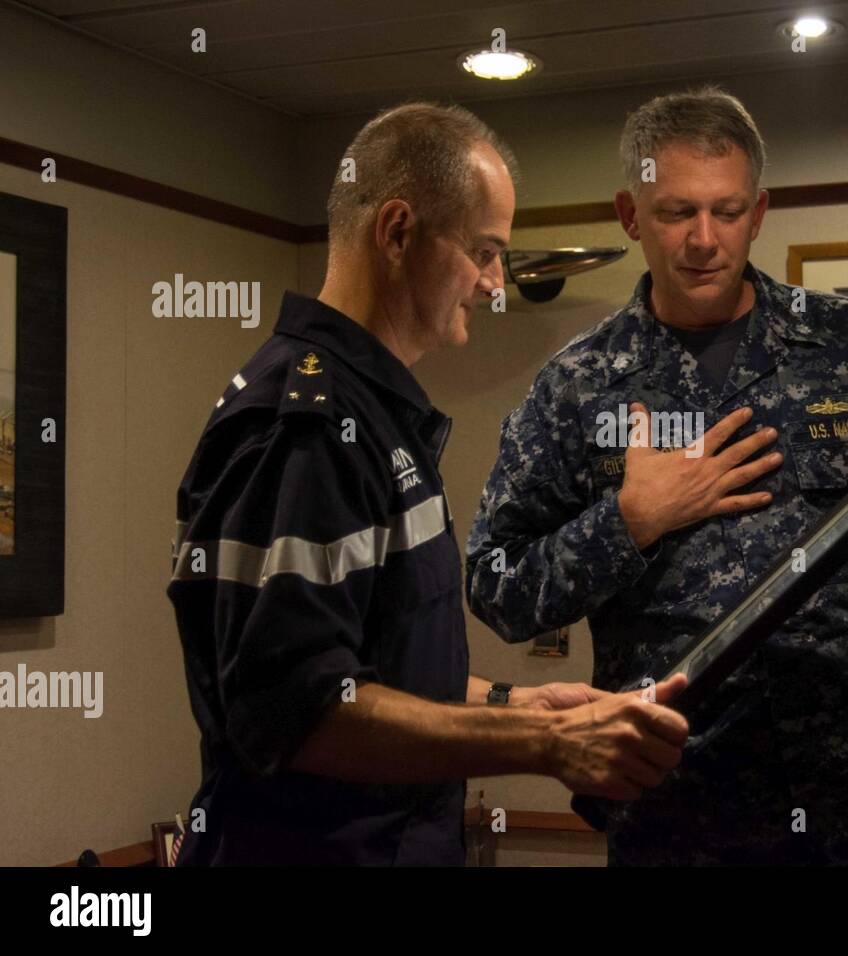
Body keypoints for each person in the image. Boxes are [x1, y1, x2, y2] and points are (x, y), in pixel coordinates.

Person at [466, 88, 848, 865]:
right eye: (675, 213)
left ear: (759, 212)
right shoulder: (579, 385)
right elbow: (496, 585)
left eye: (726, 212)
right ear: (631, 216)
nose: (704, 239)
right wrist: (628, 522)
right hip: (678, 804)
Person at [166, 102, 688, 866]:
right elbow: (297, 711)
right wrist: (544, 742)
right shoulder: (309, 422)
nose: (495, 282)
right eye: (483, 251)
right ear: (399, 230)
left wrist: (518, 702)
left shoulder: (374, 413)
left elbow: (375, 669)